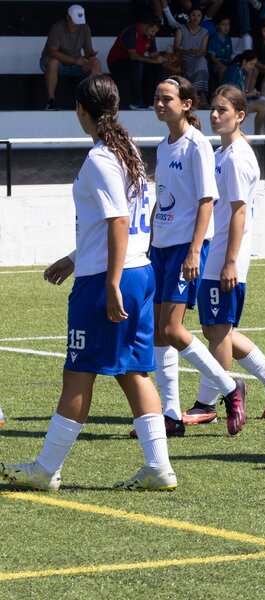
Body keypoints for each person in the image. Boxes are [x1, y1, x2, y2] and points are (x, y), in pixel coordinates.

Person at [0, 74, 177, 491]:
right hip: (139, 271)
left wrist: (110, 282)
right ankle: (159, 468)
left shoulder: (101, 157)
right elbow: (118, 223)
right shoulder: (127, 151)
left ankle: (46, 469)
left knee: (79, 372)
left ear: (81, 110)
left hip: (108, 280)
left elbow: (118, 222)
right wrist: (75, 258)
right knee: (134, 372)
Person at [182, 84, 265, 425]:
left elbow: (239, 213)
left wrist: (230, 261)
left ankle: (207, 404)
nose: (215, 115)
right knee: (217, 330)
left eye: (223, 110)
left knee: (217, 332)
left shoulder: (237, 158)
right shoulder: (222, 154)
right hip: (216, 253)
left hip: (225, 257)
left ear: (240, 116)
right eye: (213, 109)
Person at [146, 75, 248, 438]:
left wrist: (193, 250)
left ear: (186, 104)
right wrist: (151, 240)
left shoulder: (197, 145)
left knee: (172, 329)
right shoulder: (164, 145)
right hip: (160, 248)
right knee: (159, 334)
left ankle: (230, 388)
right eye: (156, 98)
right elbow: (162, 197)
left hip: (184, 248)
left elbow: (208, 201)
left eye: (167, 98)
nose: (159, 104)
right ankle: (171, 415)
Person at [40, 4, 101, 110]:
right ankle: (51, 101)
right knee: (53, 62)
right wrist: (74, 60)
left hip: (75, 65)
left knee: (96, 63)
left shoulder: (85, 28)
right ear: (68, 17)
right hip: (57, 63)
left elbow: (87, 50)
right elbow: (52, 52)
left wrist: (90, 55)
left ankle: (93, 100)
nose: (78, 25)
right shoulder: (57, 27)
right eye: (75, 21)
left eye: (80, 22)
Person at [107, 15, 167, 110]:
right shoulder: (131, 32)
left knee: (159, 69)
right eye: (152, 31)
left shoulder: (150, 35)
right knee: (137, 65)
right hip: (117, 62)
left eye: (155, 32)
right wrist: (152, 60)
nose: (153, 34)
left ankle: (153, 101)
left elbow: (153, 55)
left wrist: (162, 59)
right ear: (145, 26)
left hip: (137, 61)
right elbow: (133, 56)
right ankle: (136, 101)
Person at [223, 50, 265, 135]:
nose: (253, 67)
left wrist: (251, 93)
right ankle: (257, 135)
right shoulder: (233, 71)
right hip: (233, 103)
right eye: (251, 64)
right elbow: (232, 94)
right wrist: (250, 94)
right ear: (244, 61)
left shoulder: (242, 70)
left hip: (243, 100)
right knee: (262, 108)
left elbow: (241, 91)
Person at [174, 4, 211, 109]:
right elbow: (176, 47)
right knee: (202, 63)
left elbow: (203, 50)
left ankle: (200, 96)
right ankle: (201, 97)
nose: (196, 18)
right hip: (184, 58)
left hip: (198, 59)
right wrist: (187, 52)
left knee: (202, 61)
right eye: (193, 15)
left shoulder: (205, 32)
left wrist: (199, 52)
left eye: (199, 15)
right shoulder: (181, 29)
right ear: (189, 16)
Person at [207, 15, 233, 84]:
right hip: (215, 63)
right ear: (217, 26)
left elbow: (229, 57)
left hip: (226, 63)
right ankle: (222, 89)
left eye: (228, 24)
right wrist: (224, 66)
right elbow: (213, 58)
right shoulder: (213, 38)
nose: (226, 27)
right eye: (223, 24)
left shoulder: (228, 39)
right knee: (223, 70)